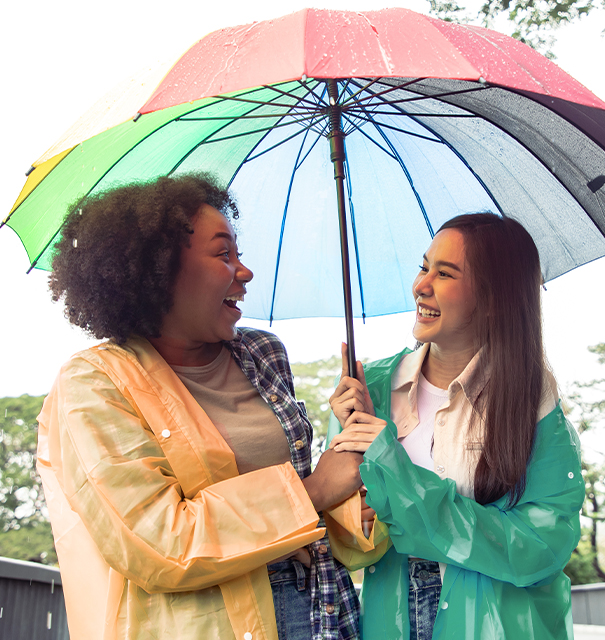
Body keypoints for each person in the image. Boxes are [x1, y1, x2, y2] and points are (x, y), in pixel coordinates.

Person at [36, 173, 362, 640]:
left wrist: (350, 443)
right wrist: (311, 493)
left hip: (324, 611)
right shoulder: (93, 384)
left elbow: (322, 502)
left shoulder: (263, 354)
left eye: (240, 255)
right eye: (223, 254)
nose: (244, 273)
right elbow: (159, 542)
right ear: (159, 269)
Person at [324, 213, 585, 640]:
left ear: (495, 297)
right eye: (424, 267)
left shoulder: (531, 398)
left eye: (445, 273)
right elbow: (344, 542)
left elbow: (543, 546)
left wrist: (400, 480)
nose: (421, 285)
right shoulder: (369, 390)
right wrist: (361, 517)